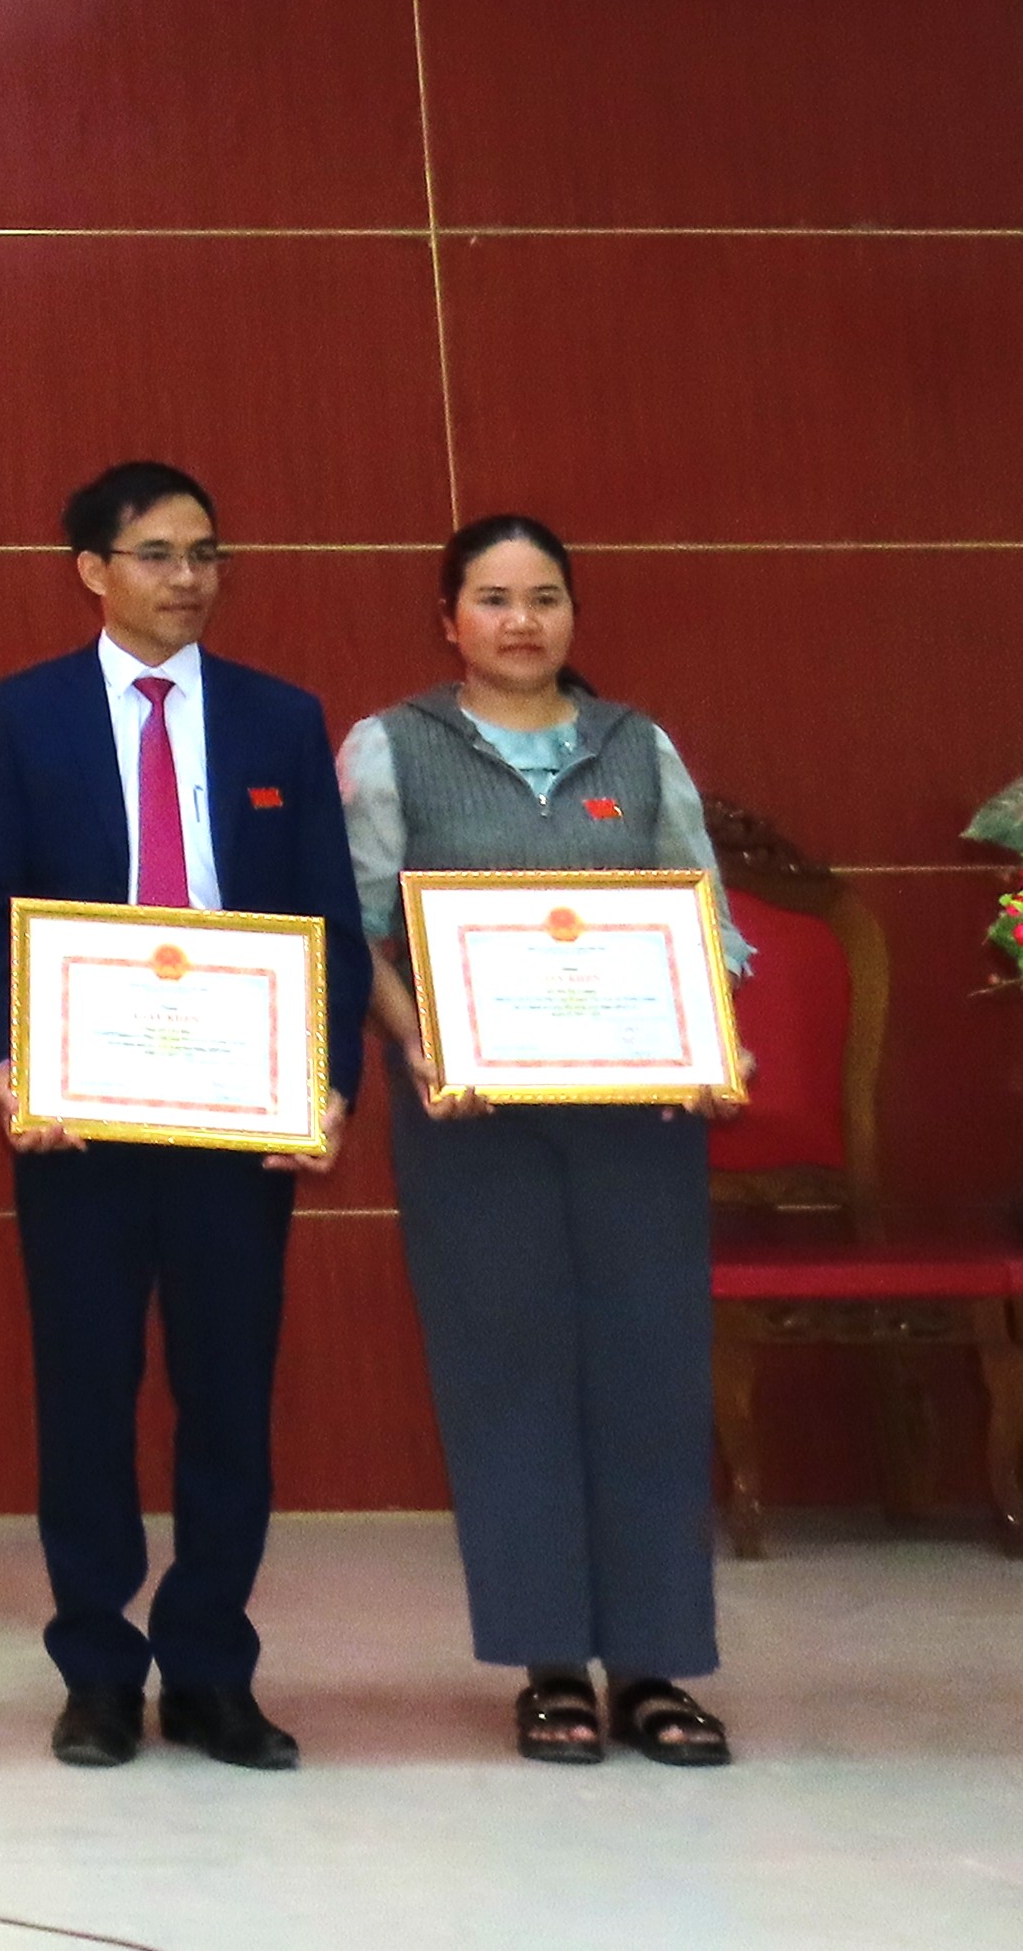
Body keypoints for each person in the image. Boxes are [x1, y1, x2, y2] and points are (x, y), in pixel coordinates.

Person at [0, 461, 364, 1775]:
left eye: (205, 553)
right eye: (158, 554)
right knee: (86, 1394)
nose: (188, 577)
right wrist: (11, 1063)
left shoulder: (278, 718)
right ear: (92, 569)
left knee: (227, 1397)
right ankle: (95, 1668)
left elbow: (327, 912)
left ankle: (210, 1669)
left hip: (240, 1116)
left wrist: (328, 1081)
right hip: (79, 1119)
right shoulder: (21, 713)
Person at [342, 515, 745, 1769]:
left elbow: (703, 917)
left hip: (638, 1117)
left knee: (650, 1376)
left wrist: (712, 1042)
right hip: (472, 1121)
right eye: (493, 597)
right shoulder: (391, 745)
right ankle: (551, 1664)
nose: (521, 620)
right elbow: (353, 922)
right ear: (447, 618)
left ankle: (656, 1665)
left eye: (545, 597)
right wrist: (419, 1044)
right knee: (506, 1374)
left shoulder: (637, 743)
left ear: (573, 612)